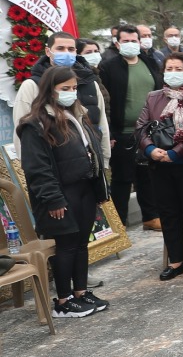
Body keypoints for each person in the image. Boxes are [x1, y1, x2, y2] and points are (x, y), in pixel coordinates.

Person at [19, 66, 111, 318]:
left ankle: (80, 292)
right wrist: (53, 199)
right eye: (64, 88)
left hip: (85, 188)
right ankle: (63, 300)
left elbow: (91, 151)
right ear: (50, 90)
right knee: (66, 245)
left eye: (74, 88)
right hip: (60, 194)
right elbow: (37, 168)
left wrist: (99, 189)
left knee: (81, 243)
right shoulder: (35, 124)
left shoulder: (77, 115)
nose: (71, 93)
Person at [137, 53, 183, 281]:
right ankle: (176, 261)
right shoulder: (153, 97)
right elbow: (141, 127)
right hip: (159, 166)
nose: (173, 72)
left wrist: (175, 153)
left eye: (178, 68)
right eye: (169, 68)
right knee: (168, 214)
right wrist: (151, 149)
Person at [98, 23, 162, 229]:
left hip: (149, 131)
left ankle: (150, 217)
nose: (130, 44)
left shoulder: (149, 62)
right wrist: (110, 132)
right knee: (122, 179)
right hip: (122, 132)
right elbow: (105, 102)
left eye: (134, 40)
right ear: (117, 44)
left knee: (147, 176)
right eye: (126, 41)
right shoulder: (108, 67)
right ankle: (120, 223)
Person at [13, 32, 110, 165]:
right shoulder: (32, 86)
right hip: (52, 165)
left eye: (71, 49)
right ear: (48, 51)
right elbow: (21, 129)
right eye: (60, 48)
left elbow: (102, 122)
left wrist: (104, 159)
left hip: (91, 164)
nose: (66, 53)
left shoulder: (90, 83)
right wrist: (29, 166)